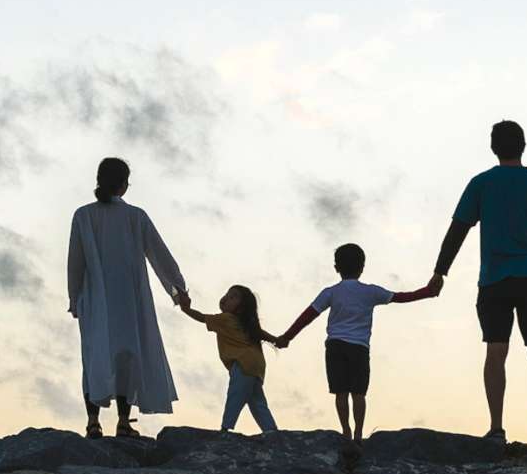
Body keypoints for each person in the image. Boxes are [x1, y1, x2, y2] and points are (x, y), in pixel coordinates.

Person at [429, 120, 527, 443]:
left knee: (495, 350)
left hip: (494, 280)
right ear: (524, 145)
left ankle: (496, 429)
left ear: (493, 148)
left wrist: (440, 271)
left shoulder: (481, 184)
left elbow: (458, 230)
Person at [65, 156, 184, 438]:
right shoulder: (135, 216)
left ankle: (93, 421)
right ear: (124, 185)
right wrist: (177, 289)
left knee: (95, 354)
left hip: (94, 297)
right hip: (129, 299)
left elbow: (75, 261)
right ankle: (122, 421)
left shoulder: (84, 215)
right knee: (127, 356)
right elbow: (159, 255)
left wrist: (73, 297)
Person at [276, 242, 438, 444]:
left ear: (336, 268)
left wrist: (287, 337)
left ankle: (346, 431)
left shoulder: (331, 292)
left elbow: (307, 316)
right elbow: (402, 297)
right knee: (359, 393)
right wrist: (428, 291)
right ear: (362, 267)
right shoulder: (370, 292)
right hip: (359, 348)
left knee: (340, 392)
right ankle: (359, 434)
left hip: (335, 346)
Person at [177, 284, 283, 434]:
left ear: (241, 307)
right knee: (256, 401)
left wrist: (186, 309)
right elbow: (262, 334)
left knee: (235, 395)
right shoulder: (247, 325)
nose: (226, 298)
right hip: (257, 367)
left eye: (233, 297)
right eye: (227, 294)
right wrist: (277, 340)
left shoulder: (225, 319)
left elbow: (202, 317)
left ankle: (225, 428)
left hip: (242, 363)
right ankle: (271, 430)